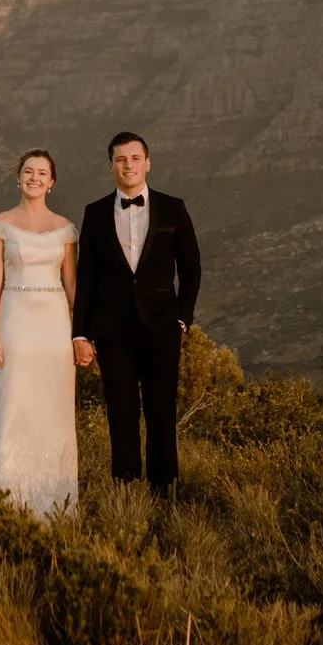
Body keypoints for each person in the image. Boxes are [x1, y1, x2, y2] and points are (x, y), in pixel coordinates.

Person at [70, 130, 200, 492]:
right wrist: (80, 333)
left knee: (162, 413)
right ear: (110, 165)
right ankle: (126, 489)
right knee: (121, 413)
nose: (128, 165)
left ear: (148, 163)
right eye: (121, 159)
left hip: (161, 328)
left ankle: (164, 490)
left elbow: (191, 269)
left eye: (135, 158)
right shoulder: (94, 213)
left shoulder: (174, 208)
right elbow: (87, 276)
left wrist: (182, 320)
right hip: (112, 332)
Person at [0, 149, 79, 515]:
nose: (34, 178)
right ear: (18, 178)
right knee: (12, 405)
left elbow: (72, 285)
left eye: (42, 173)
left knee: (54, 410)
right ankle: (5, 499)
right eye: (28, 171)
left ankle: (55, 503)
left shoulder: (66, 229)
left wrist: (80, 333)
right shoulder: (0, 224)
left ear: (52, 182)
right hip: (15, 322)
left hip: (54, 327)